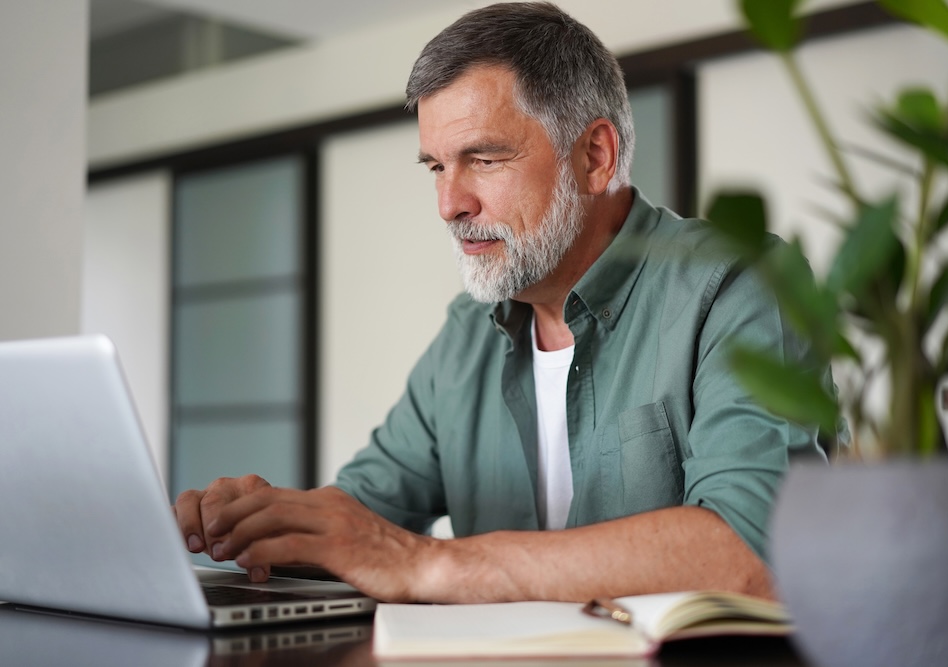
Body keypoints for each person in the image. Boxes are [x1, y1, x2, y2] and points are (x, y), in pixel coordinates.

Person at [174, 1, 826, 604]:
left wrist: (434, 564)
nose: (449, 204)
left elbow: (754, 549)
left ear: (595, 156)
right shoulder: (466, 337)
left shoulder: (739, 285)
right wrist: (263, 525)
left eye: (483, 159)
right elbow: (367, 523)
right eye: (435, 166)